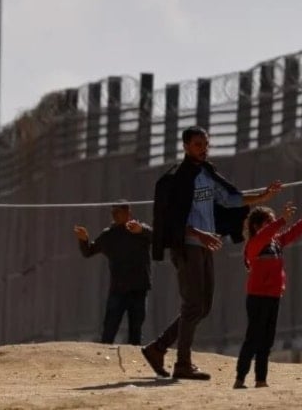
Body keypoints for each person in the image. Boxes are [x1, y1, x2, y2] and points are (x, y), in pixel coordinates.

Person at [141, 126, 284, 380]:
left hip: (206, 246)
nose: (203, 149)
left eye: (206, 144)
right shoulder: (176, 178)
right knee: (193, 304)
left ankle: (158, 348)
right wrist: (200, 234)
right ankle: (182, 363)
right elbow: (172, 220)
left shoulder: (206, 173)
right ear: (186, 146)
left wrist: (263, 196)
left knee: (202, 307)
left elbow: (230, 199)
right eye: (198, 144)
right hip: (187, 247)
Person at [234, 195, 302, 389]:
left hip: (274, 296)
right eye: (269, 221)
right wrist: (282, 220)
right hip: (257, 296)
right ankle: (240, 378)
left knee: (266, 340)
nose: (273, 225)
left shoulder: (276, 243)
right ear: (257, 226)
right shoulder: (254, 245)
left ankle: (261, 379)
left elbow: (295, 231)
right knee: (253, 338)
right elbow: (265, 235)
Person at [73, 200, 152, 345]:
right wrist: (84, 240)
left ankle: (132, 361)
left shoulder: (140, 230)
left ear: (128, 214)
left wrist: (141, 230)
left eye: (118, 213)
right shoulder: (109, 235)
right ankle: (104, 363)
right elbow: (89, 251)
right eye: (113, 213)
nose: (115, 216)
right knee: (109, 329)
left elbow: (157, 238)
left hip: (138, 288)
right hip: (118, 288)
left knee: (136, 330)